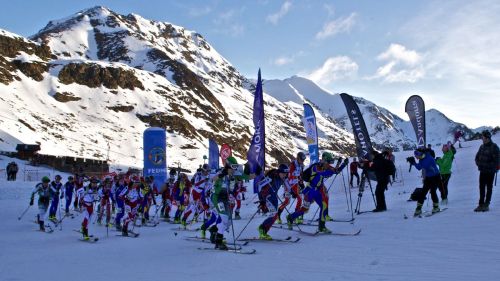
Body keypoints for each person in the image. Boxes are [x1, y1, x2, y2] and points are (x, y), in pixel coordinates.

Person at [287, 152, 348, 233]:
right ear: (324, 161)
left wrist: (343, 164)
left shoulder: (325, 166)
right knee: (305, 209)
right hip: (309, 191)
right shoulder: (316, 167)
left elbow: (335, 171)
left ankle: (321, 227)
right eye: (328, 162)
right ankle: (290, 217)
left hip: (316, 191)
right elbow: (325, 173)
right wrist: (332, 170)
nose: (329, 164)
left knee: (324, 205)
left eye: (329, 163)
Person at [257, 164, 289, 240]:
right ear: (279, 172)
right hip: (267, 197)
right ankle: (262, 229)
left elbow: (287, 185)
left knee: (275, 215)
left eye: (286, 174)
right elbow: (259, 186)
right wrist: (261, 201)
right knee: (273, 214)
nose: (285, 175)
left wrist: (292, 192)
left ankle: (264, 231)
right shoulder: (272, 177)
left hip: (274, 196)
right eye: (283, 174)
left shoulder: (283, 177)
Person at [408, 147, 441, 216]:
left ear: (421, 153)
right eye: (415, 154)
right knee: (423, 192)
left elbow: (420, 167)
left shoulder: (428, 159)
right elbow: (420, 167)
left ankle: (436, 207)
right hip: (428, 177)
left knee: (433, 192)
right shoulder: (422, 158)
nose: (415, 156)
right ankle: (418, 209)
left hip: (435, 177)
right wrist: (414, 163)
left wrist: (414, 163)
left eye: (416, 154)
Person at [277, 152, 306, 224]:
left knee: (299, 198)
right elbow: (290, 176)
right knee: (287, 202)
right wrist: (291, 190)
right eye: (302, 160)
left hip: (295, 184)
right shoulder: (293, 164)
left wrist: (301, 183)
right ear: (298, 158)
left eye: (303, 160)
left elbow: (300, 175)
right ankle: (278, 215)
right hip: (288, 184)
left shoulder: (301, 165)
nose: (302, 161)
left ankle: (295, 216)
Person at [474, 130, 499, 212]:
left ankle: (486, 204)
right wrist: (479, 164)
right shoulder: (482, 146)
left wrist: (488, 165)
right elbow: (477, 157)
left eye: (483, 137)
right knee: (481, 188)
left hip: (490, 171)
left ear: (488, 138)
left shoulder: (494, 147)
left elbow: (497, 161)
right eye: (482, 137)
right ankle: (481, 204)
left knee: (489, 188)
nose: (482, 138)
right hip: (482, 171)